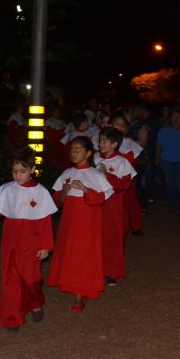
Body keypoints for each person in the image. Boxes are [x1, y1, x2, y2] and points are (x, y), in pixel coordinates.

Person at [0, 147, 56, 332]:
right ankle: (12, 317)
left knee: (31, 278)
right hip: (11, 241)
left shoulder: (41, 192)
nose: (18, 175)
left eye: (22, 171)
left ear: (31, 170)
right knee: (10, 278)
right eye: (14, 171)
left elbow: (44, 220)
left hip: (32, 242)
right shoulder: (7, 189)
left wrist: (45, 245)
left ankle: (35, 302)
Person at [47, 136, 114, 312]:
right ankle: (70, 282)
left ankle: (80, 293)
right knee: (70, 251)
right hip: (69, 221)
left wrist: (85, 189)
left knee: (84, 253)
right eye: (72, 149)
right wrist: (64, 192)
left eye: (78, 149)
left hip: (87, 222)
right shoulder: (67, 173)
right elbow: (58, 201)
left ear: (88, 153)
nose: (74, 153)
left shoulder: (95, 174)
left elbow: (100, 199)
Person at [94, 126, 137, 285]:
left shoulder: (122, 162)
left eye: (105, 141)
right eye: (100, 140)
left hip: (114, 206)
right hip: (98, 204)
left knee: (113, 237)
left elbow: (125, 184)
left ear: (114, 144)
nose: (101, 143)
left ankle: (112, 272)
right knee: (98, 236)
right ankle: (98, 269)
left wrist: (107, 175)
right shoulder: (96, 159)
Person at [156, 110, 180, 213]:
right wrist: (157, 158)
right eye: (174, 116)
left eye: (178, 116)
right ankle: (171, 206)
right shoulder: (164, 130)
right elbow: (158, 146)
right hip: (166, 161)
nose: (176, 118)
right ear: (171, 119)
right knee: (170, 184)